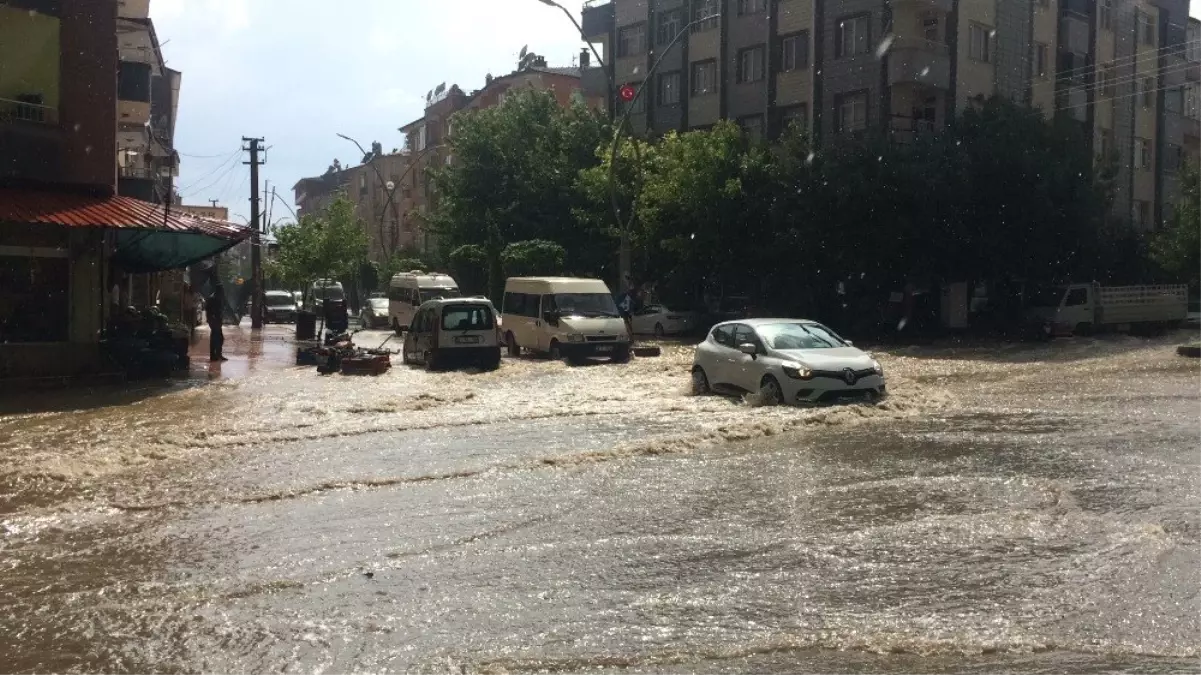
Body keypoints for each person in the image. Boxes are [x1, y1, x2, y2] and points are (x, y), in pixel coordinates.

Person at [206, 286, 228, 362]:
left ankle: (217, 354)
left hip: (216, 320)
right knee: (216, 338)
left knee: (218, 338)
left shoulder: (217, 297)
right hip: (214, 321)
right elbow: (210, 310)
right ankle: (214, 355)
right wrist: (213, 320)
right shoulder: (213, 298)